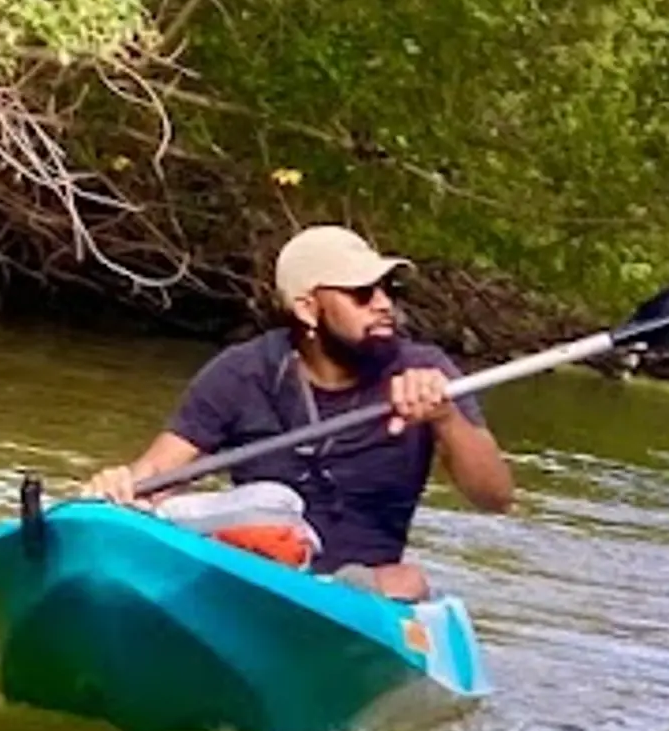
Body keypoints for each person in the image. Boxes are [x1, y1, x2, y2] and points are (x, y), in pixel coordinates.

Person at [87, 225, 513, 597]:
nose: (384, 304)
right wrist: (119, 489)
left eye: (388, 290)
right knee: (266, 506)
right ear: (307, 307)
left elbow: (495, 497)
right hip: (257, 570)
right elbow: (158, 473)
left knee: (409, 582)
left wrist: (446, 418)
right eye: (362, 294)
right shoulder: (243, 372)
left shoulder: (426, 370)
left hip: (365, 587)